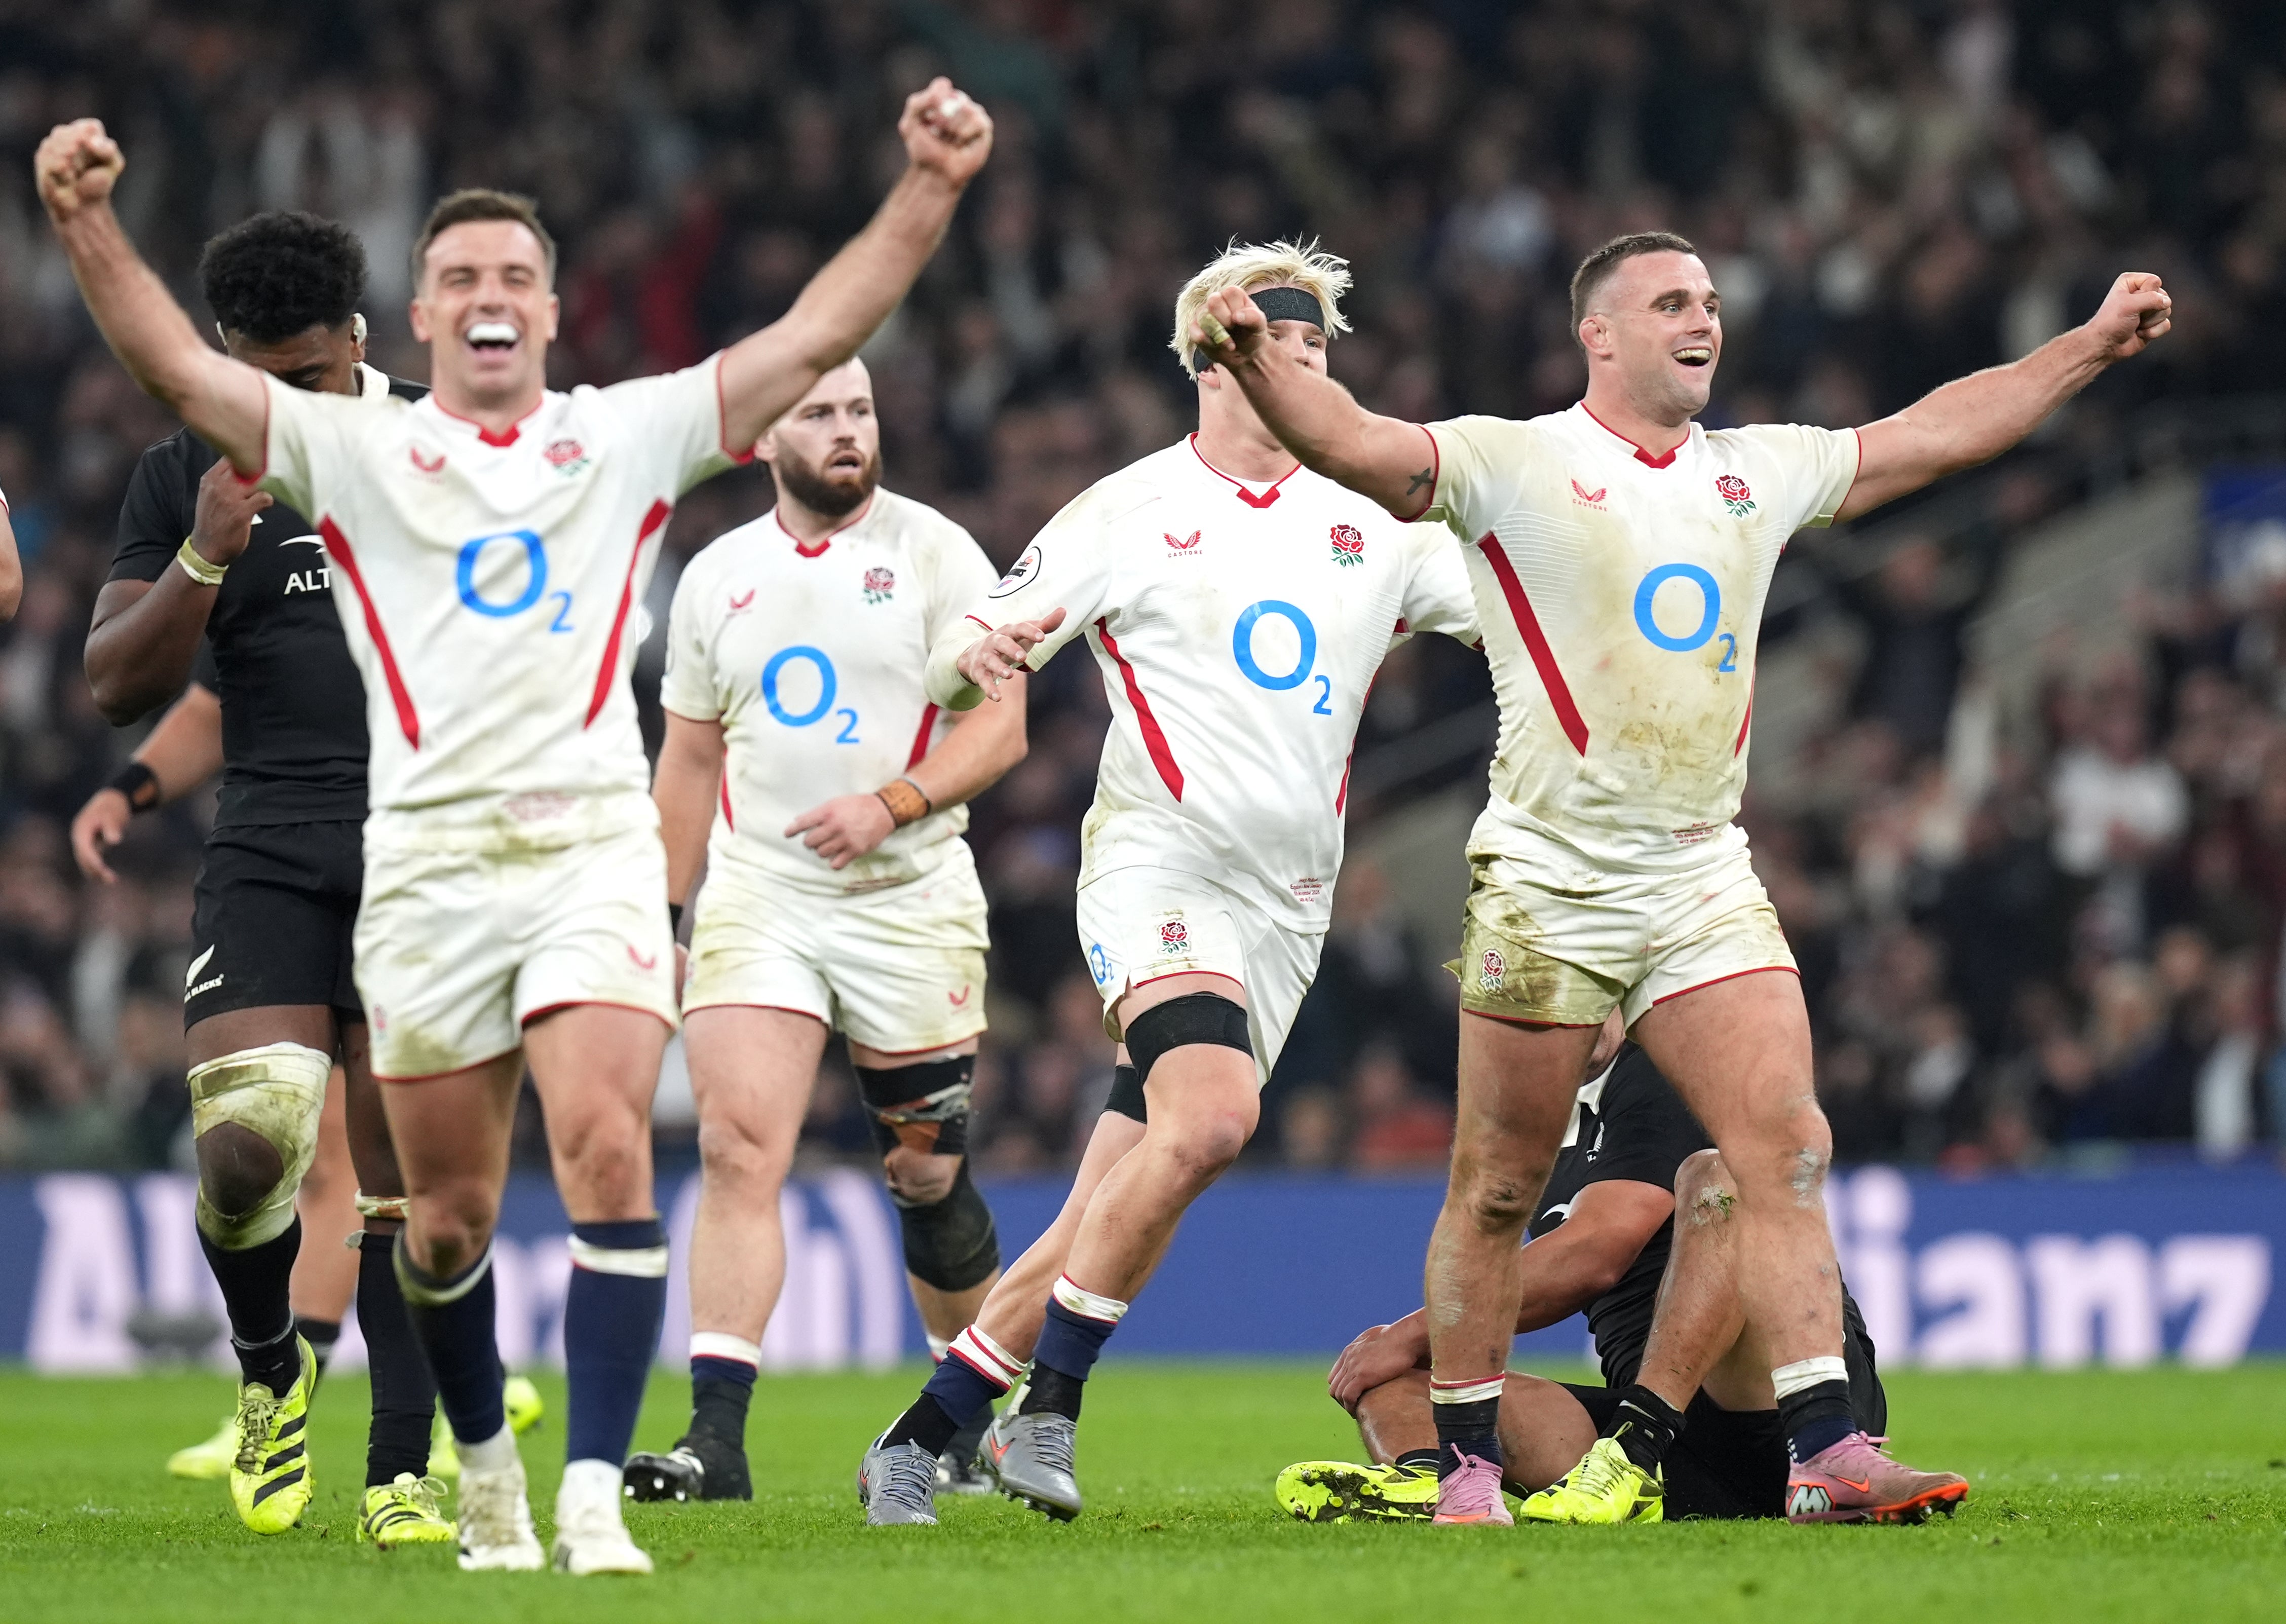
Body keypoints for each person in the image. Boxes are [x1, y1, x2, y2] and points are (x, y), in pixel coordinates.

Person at [37, 77, 991, 1576]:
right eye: (464, 277)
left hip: (588, 852)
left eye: (518, 278)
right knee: (434, 1213)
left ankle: (588, 1498)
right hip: (414, 869)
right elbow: (172, 367)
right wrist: (84, 221)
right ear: (417, 317)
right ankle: (474, 1463)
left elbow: (812, 335)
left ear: (552, 312)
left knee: (608, 1153)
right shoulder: (348, 454)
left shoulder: (623, 437)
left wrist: (928, 190)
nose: (492, 298)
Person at [1193, 231, 2170, 1523]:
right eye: (1668, 301)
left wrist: (2086, 347)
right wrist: (1258, 356)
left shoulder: (1751, 473)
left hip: (1700, 871)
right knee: (1492, 1184)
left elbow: (1935, 431)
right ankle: (1470, 1465)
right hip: (1547, 881)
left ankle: (1825, 1450)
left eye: (1708, 299)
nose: (1700, 317)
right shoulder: (1518, 459)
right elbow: (1361, 445)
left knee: (1784, 1144)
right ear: (1597, 336)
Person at [856, 240, 1479, 1526]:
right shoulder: (1129, 508)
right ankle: (1054, 1402)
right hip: (1158, 865)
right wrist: (981, 650)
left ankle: (925, 1431)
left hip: (1289, 903)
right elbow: (954, 659)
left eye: (1317, 348)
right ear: (1213, 356)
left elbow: (1516, 605)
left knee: (1107, 1197)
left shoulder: (1374, 519)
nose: (1307, 366)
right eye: (1280, 344)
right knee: (1211, 1119)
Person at [74, 209, 463, 1544]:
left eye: (305, 381)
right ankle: (265, 1376)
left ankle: (399, 1472)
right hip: (274, 838)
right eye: (255, 379)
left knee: (410, 1179)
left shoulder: (450, 442)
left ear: (358, 343)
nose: (281, 408)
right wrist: (201, 554)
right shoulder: (187, 465)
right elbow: (119, 682)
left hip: (430, 840)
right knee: (247, 1152)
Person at [624, 356, 1025, 1505]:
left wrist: (888, 803)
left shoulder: (939, 553)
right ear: (763, 437)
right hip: (762, 895)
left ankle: (958, 1428)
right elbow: (690, 760)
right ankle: (716, 1440)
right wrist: (659, 917)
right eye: (821, 413)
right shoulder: (716, 577)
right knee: (738, 1148)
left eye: (859, 409)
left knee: (923, 1171)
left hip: (909, 900)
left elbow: (1002, 730)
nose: (848, 430)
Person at [71, 675, 543, 1514]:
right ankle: (289, 1368)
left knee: (384, 1167)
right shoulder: (249, 559)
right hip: (281, 858)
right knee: (281, 1151)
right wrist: (132, 785)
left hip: (425, 853)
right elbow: (214, 689)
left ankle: (408, 1452)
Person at [1275, 1017, 1893, 1524]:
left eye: (1602, 989)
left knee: (1720, 1180)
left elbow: (1599, 1251)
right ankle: (1427, 1479)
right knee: (1402, 1383)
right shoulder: (1530, 1118)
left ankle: (1647, 1449)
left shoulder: (1659, 1072)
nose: (1583, 1010)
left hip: (1765, 1403)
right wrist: (1414, 1350)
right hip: (1667, 1451)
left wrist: (1411, 1332)